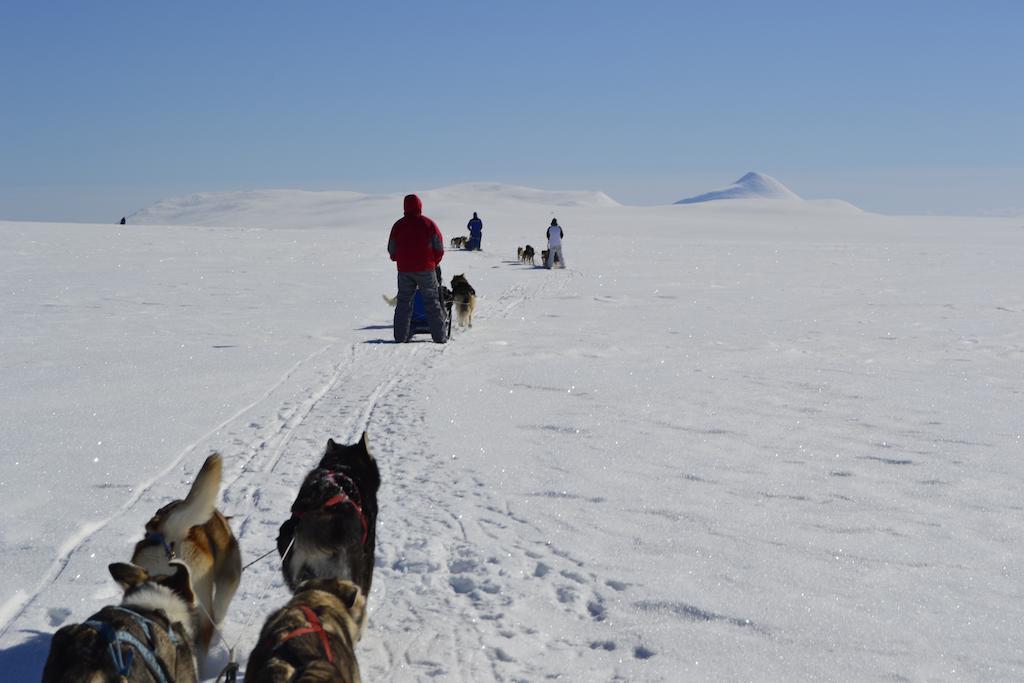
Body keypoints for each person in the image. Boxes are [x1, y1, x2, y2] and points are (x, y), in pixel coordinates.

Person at [387, 194, 448, 343]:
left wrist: (399, 259)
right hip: (426, 269)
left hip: (405, 271)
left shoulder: (398, 225)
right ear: (420, 205)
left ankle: (400, 337)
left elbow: (392, 249)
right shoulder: (428, 224)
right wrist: (434, 262)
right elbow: (439, 247)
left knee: (403, 303)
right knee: (432, 301)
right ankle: (439, 337)